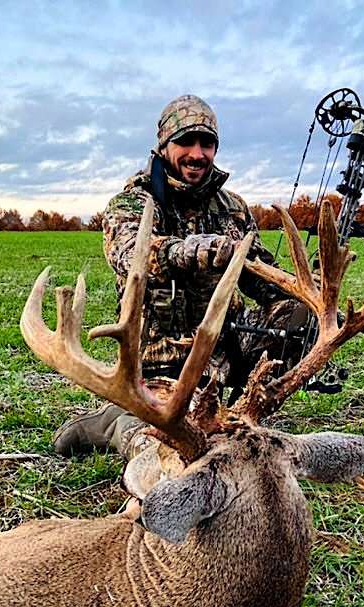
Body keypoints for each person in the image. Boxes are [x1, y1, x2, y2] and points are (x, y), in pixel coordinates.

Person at [53, 95, 302, 459]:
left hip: (226, 353)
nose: (197, 154)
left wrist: (301, 296)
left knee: (298, 317)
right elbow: (127, 254)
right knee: (167, 447)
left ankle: (240, 413)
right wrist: (189, 250)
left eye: (207, 143)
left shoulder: (233, 209)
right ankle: (117, 422)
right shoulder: (133, 202)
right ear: (164, 145)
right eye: (186, 141)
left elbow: (260, 274)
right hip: (160, 362)